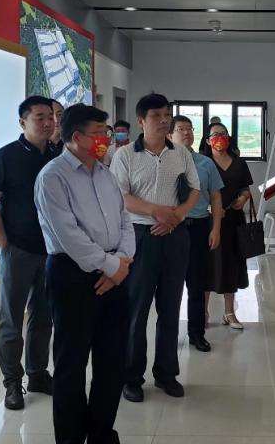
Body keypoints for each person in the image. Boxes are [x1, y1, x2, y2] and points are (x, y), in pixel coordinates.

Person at [35, 104, 135, 444]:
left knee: (112, 362)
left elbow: (124, 221)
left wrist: (121, 263)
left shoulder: (105, 173)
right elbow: (70, 236)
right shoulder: (53, 176)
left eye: (106, 132)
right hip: (72, 275)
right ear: (77, 137)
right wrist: (113, 267)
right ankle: (70, 438)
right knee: (71, 364)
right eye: (99, 133)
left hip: (115, 271)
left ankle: (101, 432)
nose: (106, 138)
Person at [111, 93, 200, 402]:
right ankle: (132, 377)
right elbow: (121, 196)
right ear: (141, 121)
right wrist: (155, 211)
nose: (164, 120)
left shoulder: (181, 153)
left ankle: (166, 373)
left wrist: (177, 216)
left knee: (170, 308)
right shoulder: (125, 155)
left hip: (175, 235)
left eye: (167, 115)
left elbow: (194, 189)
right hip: (140, 236)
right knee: (136, 310)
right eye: (156, 116)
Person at [0, 96, 60, 410]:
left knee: (43, 316)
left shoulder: (58, 155)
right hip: (17, 250)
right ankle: (12, 382)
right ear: (22, 122)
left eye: (51, 117)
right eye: (39, 117)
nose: (47, 123)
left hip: (52, 251)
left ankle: (38, 373)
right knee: (11, 320)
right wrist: (4, 244)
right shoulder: (5, 157)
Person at [168, 116, 223, 353]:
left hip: (199, 226)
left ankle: (197, 334)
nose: (187, 133)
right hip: (171, 228)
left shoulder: (205, 163)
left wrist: (216, 228)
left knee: (197, 284)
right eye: (181, 129)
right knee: (169, 286)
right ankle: (168, 334)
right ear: (170, 135)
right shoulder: (163, 162)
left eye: (190, 129)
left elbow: (216, 197)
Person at [204, 122, 253, 329]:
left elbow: (245, 189)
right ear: (208, 141)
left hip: (233, 221)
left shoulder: (239, 163)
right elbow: (196, 191)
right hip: (208, 222)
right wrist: (210, 208)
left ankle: (229, 312)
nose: (219, 138)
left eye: (223, 134)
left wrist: (243, 198)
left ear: (229, 137)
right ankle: (203, 311)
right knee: (207, 265)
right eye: (215, 134)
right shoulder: (203, 163)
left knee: (231, 264)